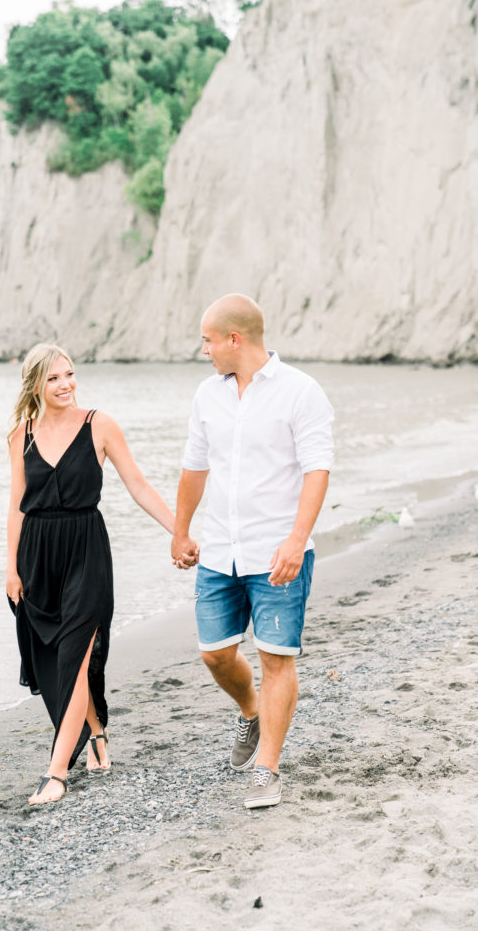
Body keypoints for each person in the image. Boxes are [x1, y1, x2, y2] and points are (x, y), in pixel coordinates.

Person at [171, 294, 334, 809]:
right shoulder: (207, 396)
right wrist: (181, 531)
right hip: (220, 549)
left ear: (234, 339)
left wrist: (294, 539)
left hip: (276, 552)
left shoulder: (301, 393)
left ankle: (268, 768)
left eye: (208, 340)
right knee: (215, 653)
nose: (204, 350)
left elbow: (317, 471)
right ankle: (250, 711)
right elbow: (194, 469)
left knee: (276, 658)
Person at [6, 343, 177, 806]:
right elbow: (18, 506)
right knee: (52, 662)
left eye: (69, 374)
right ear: (36, 385)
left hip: (86, 551)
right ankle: (97, 731)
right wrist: (10, 568)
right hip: (37, 558)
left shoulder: (98, 424)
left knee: (76, 656)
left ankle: (56, 772)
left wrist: (179, 530)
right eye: (53, 378)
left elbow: (137, 484)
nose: (65, 385)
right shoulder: (20, 434)